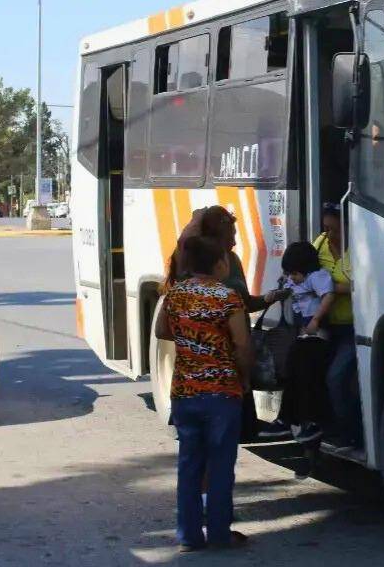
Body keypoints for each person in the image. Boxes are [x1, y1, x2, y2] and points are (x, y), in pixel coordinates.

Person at [155, 236, 252, 552]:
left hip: (184, 393)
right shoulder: (228, 298)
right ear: (220, 264)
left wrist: (190, 338)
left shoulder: (175, 294)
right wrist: (245, 377)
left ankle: (188, 536)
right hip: (222, 392)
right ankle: (220, 534)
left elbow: (161, 331)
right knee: (221, 466)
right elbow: (241, 344)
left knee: (189, 466)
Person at [168, 206, 292, 441]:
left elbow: (245, 303)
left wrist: (269, 298)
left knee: (200, 449)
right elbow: (242, 344)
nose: (235, 242)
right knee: (219, 444)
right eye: (231, 235)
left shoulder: (231, 261)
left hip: (201, 379)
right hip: (220, 374)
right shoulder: (206, 282)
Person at [277, 241, 336, 477]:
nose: (292, 278)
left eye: (295, 273)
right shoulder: (297, 279)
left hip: (317, 333)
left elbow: (329, 295)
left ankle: (301, 422)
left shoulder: (317, 278)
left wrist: (316, 320)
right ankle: (287, 418)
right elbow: (288, 288)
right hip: (304, 333)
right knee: (293, 369)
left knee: (305, 373)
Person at [314, 205, 363, 450]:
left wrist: (331, 288)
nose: (329, 234)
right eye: (326, 228)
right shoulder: (320, 243)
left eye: (334, 229)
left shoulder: (360, 247)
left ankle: (350, 435)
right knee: (322, 378)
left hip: (354, 328)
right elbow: (308, 276)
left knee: (337, 377)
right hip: (327, 326)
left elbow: (365, 285)